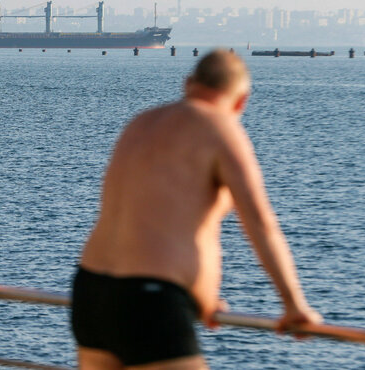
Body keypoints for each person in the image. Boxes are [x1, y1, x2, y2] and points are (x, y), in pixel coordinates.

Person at [72, 50, 323, 369]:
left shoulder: (142, 123)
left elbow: (147, 221)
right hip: (149, 298)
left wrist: (198, 297)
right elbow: (260, 222)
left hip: (91, 292)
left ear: (188, 83)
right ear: (241, 101)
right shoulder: (221, 129)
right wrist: (294, 305)